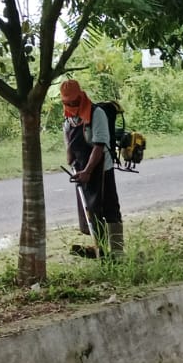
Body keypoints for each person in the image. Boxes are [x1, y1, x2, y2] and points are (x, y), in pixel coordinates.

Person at [59, 79, 124, 255]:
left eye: (73, 100)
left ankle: (117, 253)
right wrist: (70, 154)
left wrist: (88, 170)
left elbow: (99, 145)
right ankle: (100, 249)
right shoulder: (69, 116)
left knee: (109, 208)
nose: (71, 104)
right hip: (81, 170)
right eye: (67, 101)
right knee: (91, 210)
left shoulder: (97, 113)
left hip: (101, 169)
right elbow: (68, 135)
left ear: (80, 95)